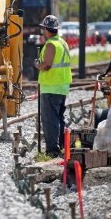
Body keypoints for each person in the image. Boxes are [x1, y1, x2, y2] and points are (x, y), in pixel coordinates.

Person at [34, 15, 72, 158]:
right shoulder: (63, 43)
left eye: (43, 28)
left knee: (50, 120)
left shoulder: (51, 44)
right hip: (61, 87)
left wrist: (37, 64)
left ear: (46, 29)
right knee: (59, 118)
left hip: (51, 88)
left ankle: (52, 150)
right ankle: (62, 146)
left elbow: (47, 65)